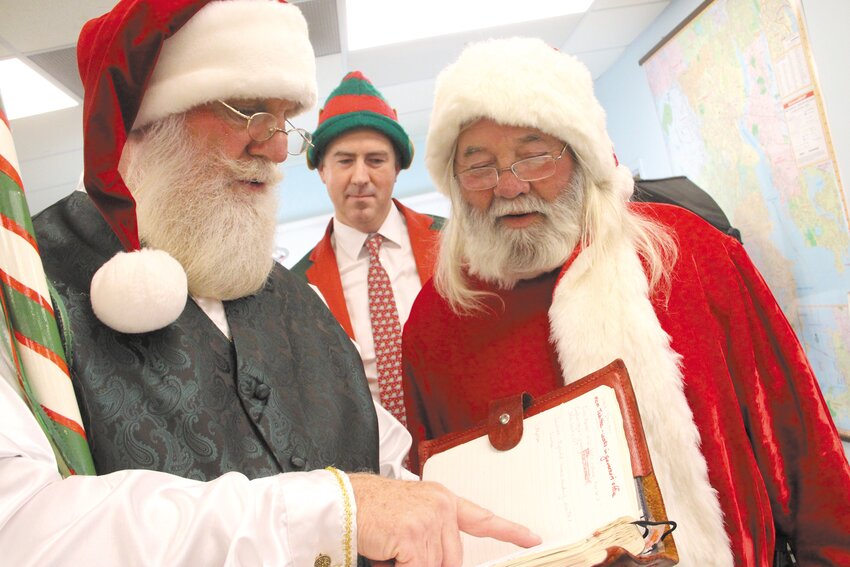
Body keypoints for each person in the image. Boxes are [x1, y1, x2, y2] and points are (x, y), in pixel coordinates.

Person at [0, 3, 540, 565]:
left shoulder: (300, 301)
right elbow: (19, 527)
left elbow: (391, 473)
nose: (279, 148)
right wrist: (326, 513)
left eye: (284, 120)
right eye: (250, 112)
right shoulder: (27, 299)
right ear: (148, 119)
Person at [402, 37, 850, 566]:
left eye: (533, 156)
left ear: (580, 157)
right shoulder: (439, 321)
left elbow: (802, 445)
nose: (507, 185)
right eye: (479, 167)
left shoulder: (688, 253)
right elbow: (439, 506)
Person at [293, 71, 442, 425]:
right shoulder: (297, 288)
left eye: (375, 160)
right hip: (371, 467)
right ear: (322, 171)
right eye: (345, 161)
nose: (360, 177)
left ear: (397, 169)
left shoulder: (454, 242)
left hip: (461, 446)